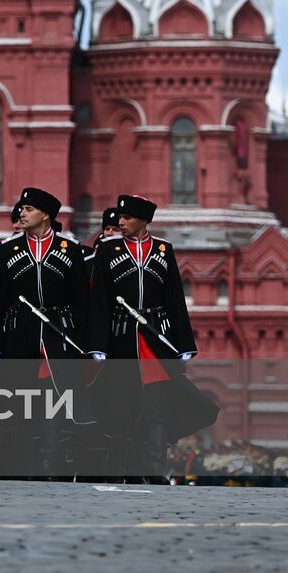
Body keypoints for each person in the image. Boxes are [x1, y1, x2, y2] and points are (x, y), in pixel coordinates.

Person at [0, 187, 105, 477]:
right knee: (21, 401)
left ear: (46, 215)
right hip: (18, 336)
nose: (22, 213)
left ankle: (50, 462)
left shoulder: (69, 250)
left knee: (55, 397)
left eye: (29, 209)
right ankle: (25, 464)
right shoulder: (6, 250)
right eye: (21, 209)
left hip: (58, 337)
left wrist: (90, 344)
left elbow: (82, 303)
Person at [89, 194, 211, 480]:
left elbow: (174, 299)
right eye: (120, 217)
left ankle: (155, 469)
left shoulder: (163, 250)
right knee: (122, 407)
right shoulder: (108, 249)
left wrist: (183, 344)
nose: (121, 222)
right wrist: (98, 345)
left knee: (157, 408)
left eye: (127, 218)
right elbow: (100, 301)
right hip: (121, 340)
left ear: (144, 220)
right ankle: (118, 469)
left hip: (155, 341)